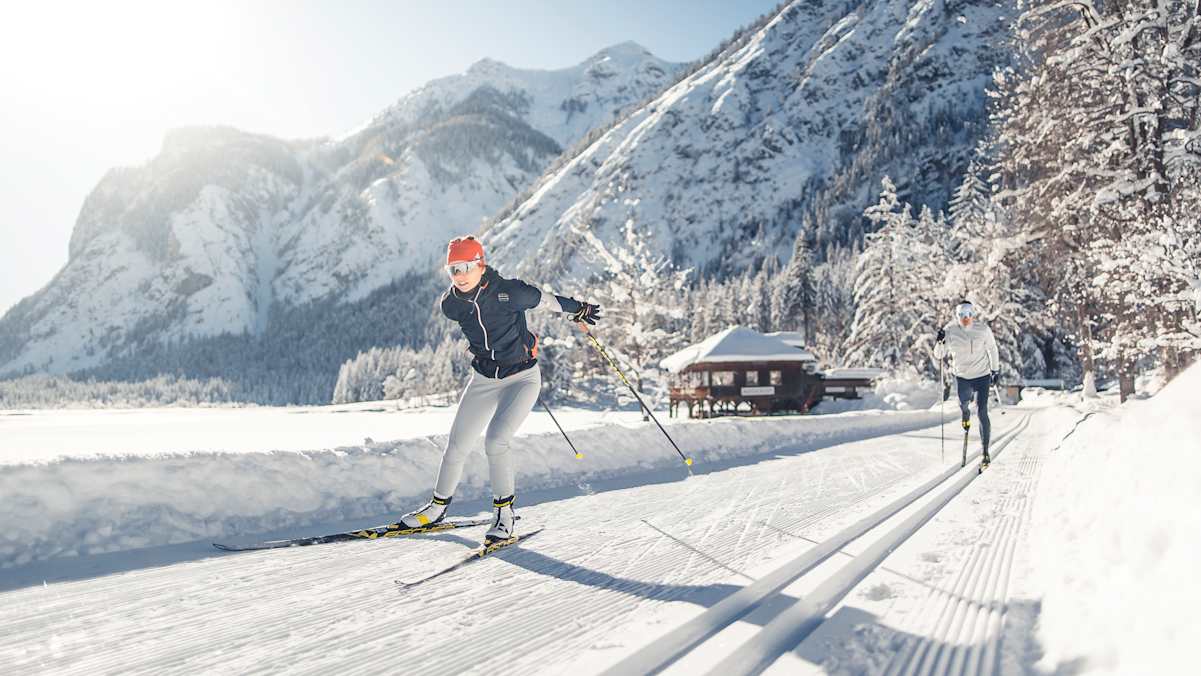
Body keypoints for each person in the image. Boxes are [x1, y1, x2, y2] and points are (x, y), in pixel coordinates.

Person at [398, 235, 601, 544]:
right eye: (453, 269)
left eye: (467, 267)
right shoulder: (451, 304)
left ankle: (504, 514)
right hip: (483, 380)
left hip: (521, 379)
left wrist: (579, 309)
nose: (460, 275)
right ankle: (436, 509)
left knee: (496, 441)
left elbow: (547, 300)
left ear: (481, 265)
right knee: (456, 445)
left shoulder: (510, 292)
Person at [934, 300, 1000, 463]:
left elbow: (992, 348)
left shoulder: (982, 329)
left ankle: (985, 451)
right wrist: (940, 341)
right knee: (964, 404)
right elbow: (939, 355)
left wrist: (995, 369)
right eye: (962, 315)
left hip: (982, 375)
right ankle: (965, 414)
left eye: (969, 314)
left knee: (982, 411)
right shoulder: (951, 331)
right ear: (958, 316)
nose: (966, 318)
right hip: (963, 377)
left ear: (973, 314)